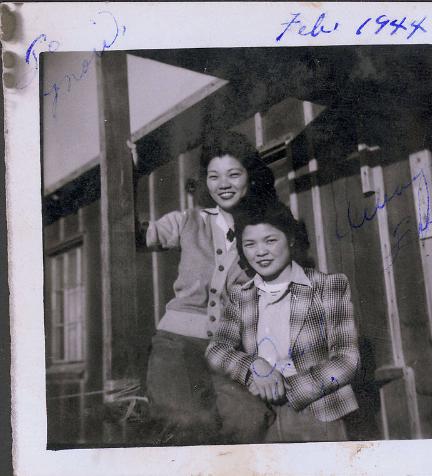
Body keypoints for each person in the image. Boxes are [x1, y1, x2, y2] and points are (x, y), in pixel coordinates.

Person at [137, 131, 277, 445]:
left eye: (233, 174)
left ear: (249, 178)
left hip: (226, 352)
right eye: (214, 176)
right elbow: (130, 235)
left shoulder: (264, 233)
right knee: (187, 422)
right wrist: (129, 175)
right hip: (176, 346)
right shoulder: (188, 221)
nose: (223, 184)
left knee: (252, 418)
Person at [205, 200, 360, 443]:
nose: (260, 252)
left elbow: (346, 360)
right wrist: (254, 367)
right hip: (258, 415)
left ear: (290, 238)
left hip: (318, 413)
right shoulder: (240, 296)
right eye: (250, 244)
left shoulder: (330, 286)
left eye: (270, 240)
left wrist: (287, 389)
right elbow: (216, 349)